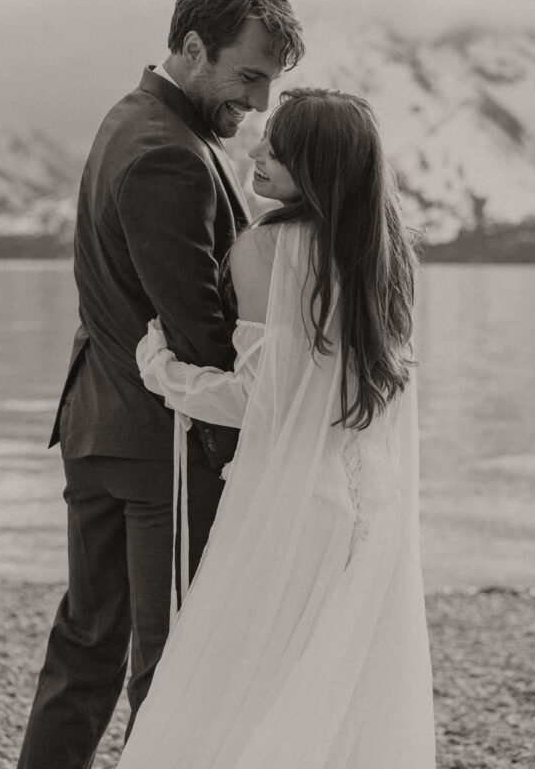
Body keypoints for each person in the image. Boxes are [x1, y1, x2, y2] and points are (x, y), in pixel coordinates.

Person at [17, 0, 305, 769]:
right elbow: (199, 330)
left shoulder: (128, 118)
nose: (257, 104)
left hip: (99, 428)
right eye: (248, 76)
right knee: (172, 667)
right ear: (189, 46)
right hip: (163, 449)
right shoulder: (170, 155)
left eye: (270, 84)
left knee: (87, 642)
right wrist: (262, 427)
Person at [119, 88, 437, 768]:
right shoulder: (391, 258)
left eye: (280, 150)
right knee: (335, 693)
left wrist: (160, 370)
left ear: (319, 167)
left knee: (242, 685)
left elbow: (259, 401)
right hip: (368, 507)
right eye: (263, 138)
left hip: (289, 505)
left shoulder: (264, 247)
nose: (257, 153)